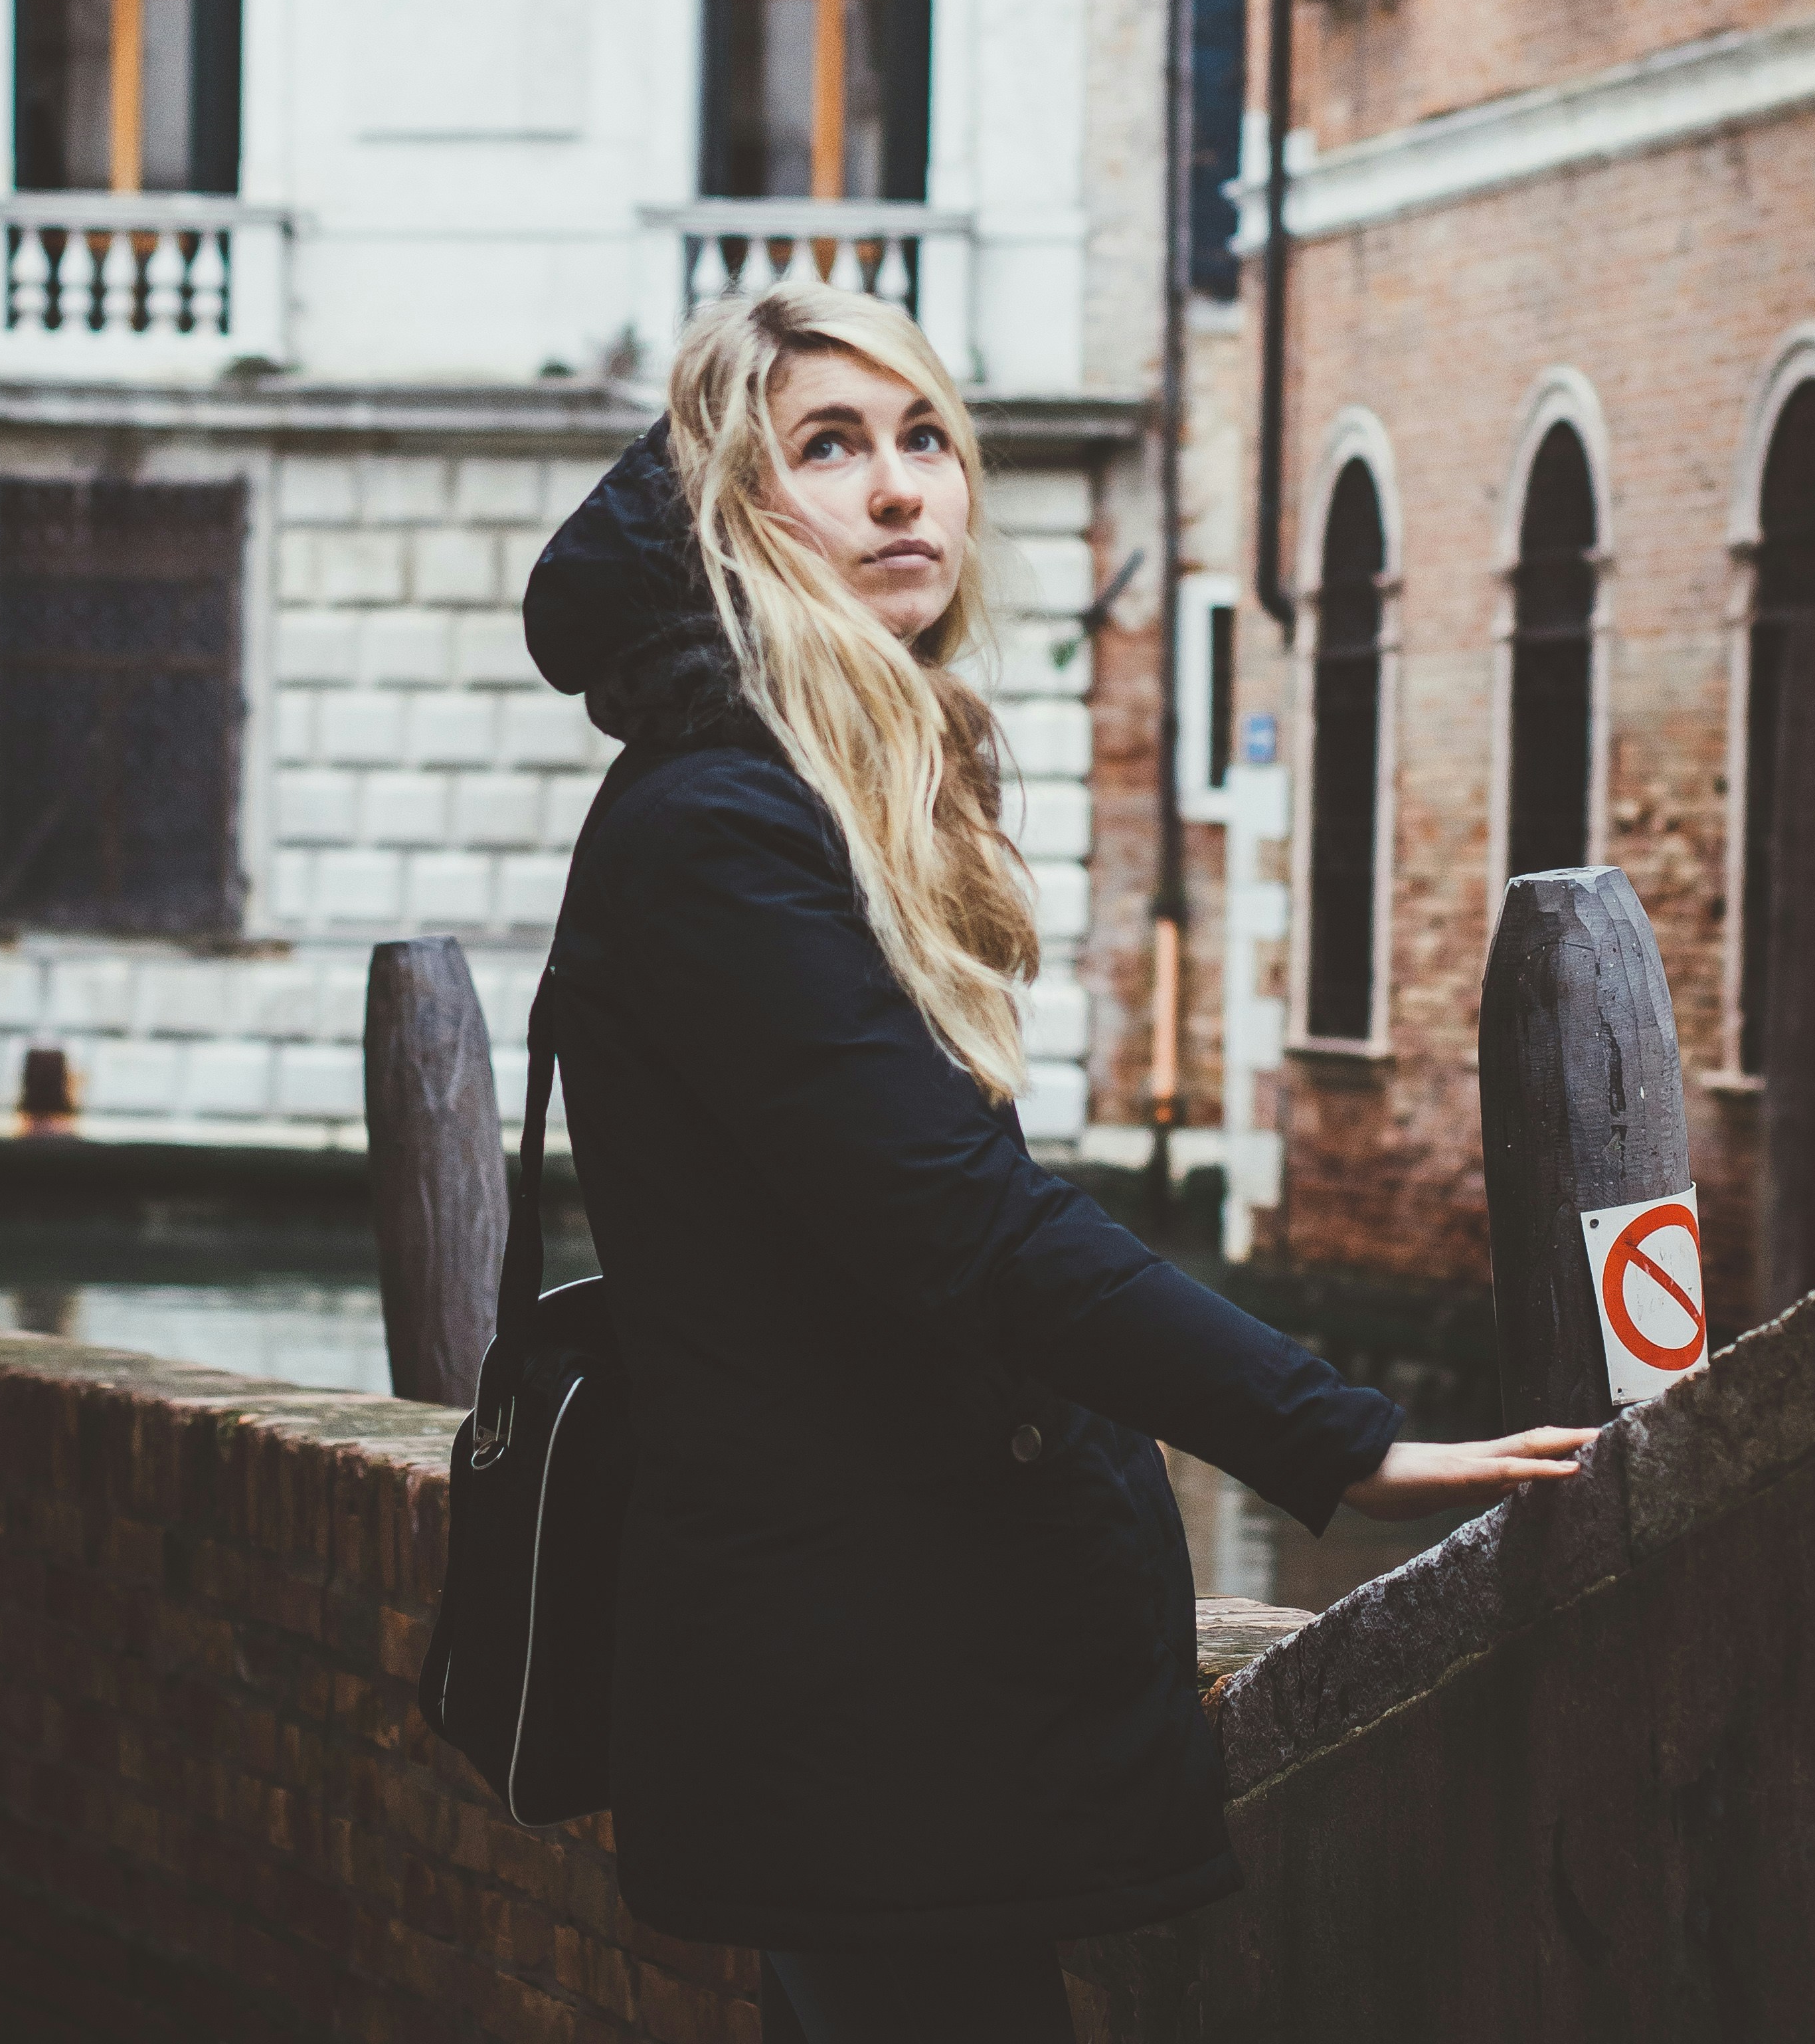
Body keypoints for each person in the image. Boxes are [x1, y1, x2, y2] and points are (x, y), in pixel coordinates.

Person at [523, 288, 1590, 2044]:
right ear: (733, 510)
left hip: (887, 1666)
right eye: (830, 448)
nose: (902, 491)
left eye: (926, 440)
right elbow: (962, 1224)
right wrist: (1332, 1439)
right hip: (856, 1683)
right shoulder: (720, 826)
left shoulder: (813, 791)